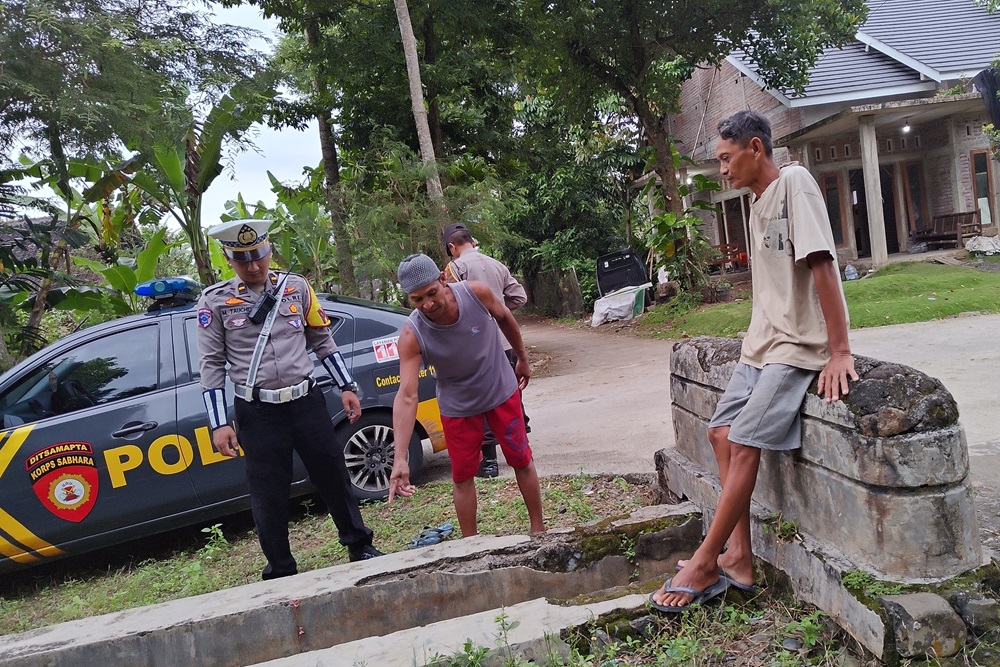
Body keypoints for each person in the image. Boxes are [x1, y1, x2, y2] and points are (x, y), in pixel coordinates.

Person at [650, 110, 858, 612]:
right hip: (759, 345)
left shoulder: (796, 184)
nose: (723, 170)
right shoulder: (757, 202)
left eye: (726, 158)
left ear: (755, 149)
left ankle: (705, 561)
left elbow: (823, 266)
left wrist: (840, 350)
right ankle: (739, 554)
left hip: (795, 346)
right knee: (719, 433)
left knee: (742, 440)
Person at [197, 218, 382, 580]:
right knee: (268, 491)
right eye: (242, 259)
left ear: (269, 251)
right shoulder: (215, 301)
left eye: (259, 256)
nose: (253, 266)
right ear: (228, 259)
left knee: (332, 473)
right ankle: (280, 567)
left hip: (305, 401)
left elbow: (323, 341)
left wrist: (347, 386)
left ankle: (359, 544)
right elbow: (211, 366)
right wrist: (219, 424)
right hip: (257, 411)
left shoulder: (295, 288)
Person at [387, 253, 545, 537]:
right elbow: (407, 396)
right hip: (457, 407)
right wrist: (400, 458)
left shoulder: (476, 293)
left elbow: (505, 317)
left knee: (521, 460)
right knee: (462, 478)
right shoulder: (412, 334)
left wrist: (522, 357)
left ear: (443, 279)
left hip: (501, 390)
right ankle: (470, 546)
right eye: (417, 299)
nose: (427, 304)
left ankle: (538, 529)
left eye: (431, 293)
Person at [442, 222, 528, 479]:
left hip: (477, 347)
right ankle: (522, 451)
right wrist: (498, 311)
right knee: (511, 395)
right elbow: (519, 297)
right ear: (472, 241)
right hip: (504, 342)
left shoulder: (454, 268)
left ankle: (489, 462)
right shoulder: (497, 264)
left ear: (452, 247)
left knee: (484, 400)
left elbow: (451, 306)